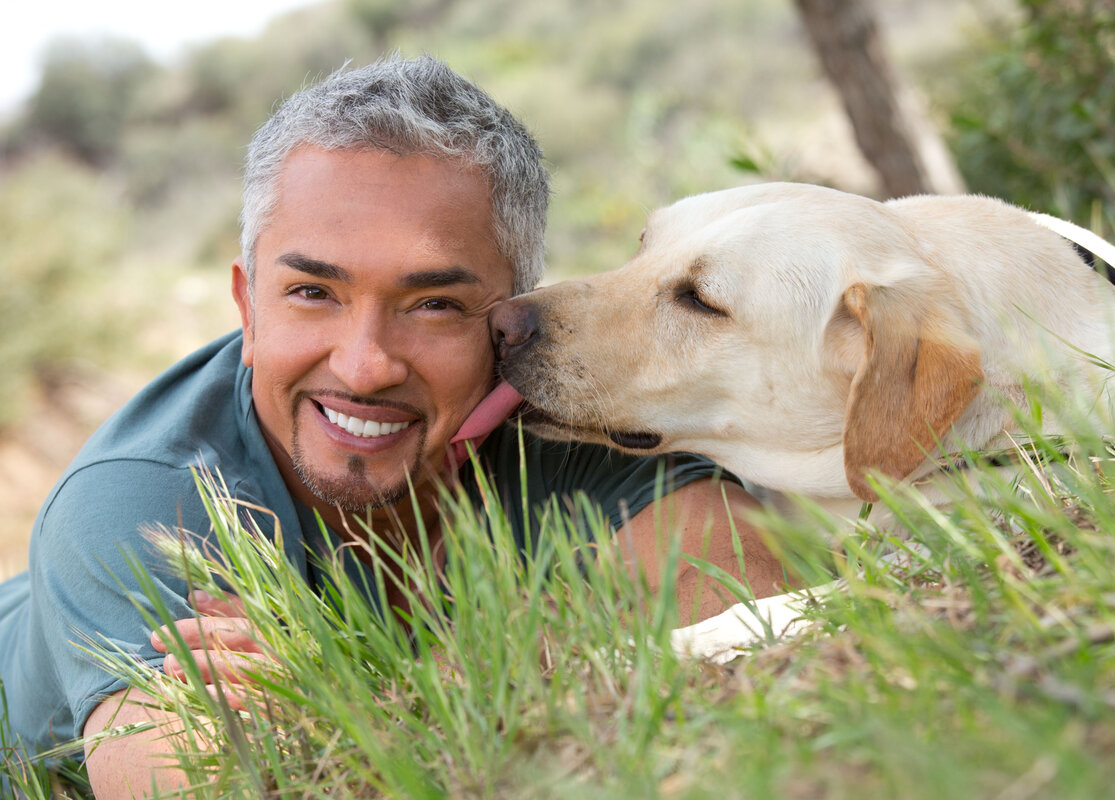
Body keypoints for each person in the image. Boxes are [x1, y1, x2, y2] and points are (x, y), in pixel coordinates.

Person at [0, 55, 783, 797]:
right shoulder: (135, 502)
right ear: (246, 304)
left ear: (511, 323)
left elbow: (753, 582)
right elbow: (193, 781)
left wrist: (361, 689)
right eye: (313, 293)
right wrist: (547, 646)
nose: (367, 364)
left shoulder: (562, 425)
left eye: (434, 304)